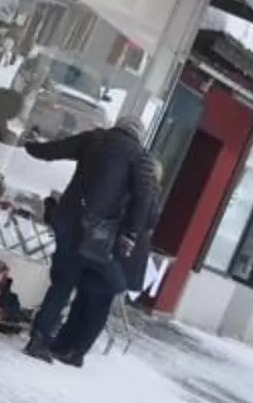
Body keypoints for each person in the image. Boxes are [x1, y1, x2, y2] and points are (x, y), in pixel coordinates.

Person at [20, 117, 162, 366]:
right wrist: (131, 234)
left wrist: (29, 145)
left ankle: (40, 338)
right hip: (97, 233)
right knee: (109, 283)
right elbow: (143, 199)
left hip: (67, 219)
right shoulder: (140, 157)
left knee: (63, 281)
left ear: (118, 125)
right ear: (139, 135)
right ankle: (65, 345)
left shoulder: (93, 139)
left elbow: (53, 150)